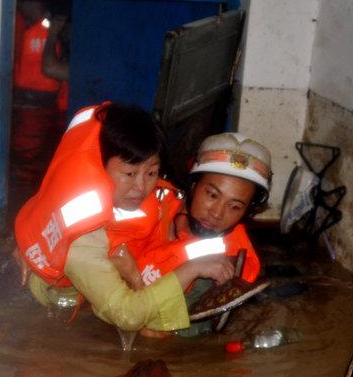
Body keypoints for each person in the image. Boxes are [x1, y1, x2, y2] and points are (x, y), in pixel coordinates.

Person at [14, 103, 235, 333]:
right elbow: (127, 316)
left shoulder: (89, 171)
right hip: (57, 309)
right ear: (100, 167)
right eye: (129, 174)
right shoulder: (83, 239)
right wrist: (192, 268)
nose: (141, 187)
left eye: (151, 172)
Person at [107, 132, 272, 337]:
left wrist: (133, 277)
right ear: (193, 186)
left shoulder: (229, 267)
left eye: (235, 206)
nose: (217, 213)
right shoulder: (149, 197)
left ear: (247, 211)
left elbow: (153, 332)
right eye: (212, 195)